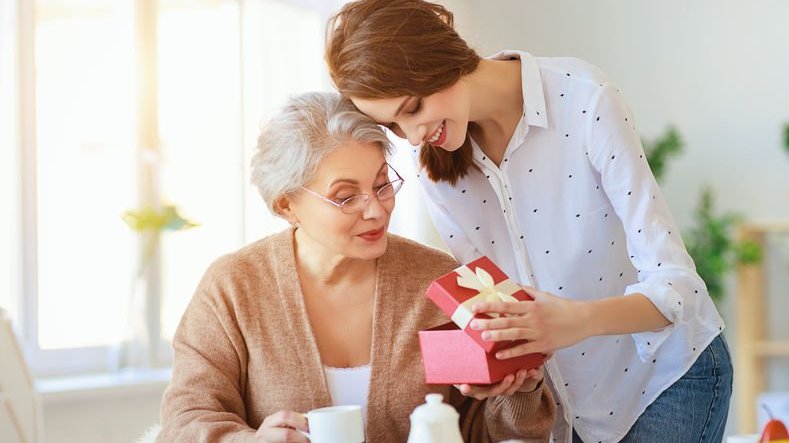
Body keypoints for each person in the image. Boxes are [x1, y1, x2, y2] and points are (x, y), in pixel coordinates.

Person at [324, 2, 733, 442]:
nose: (414, 134)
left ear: (440, 58)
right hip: (569, 411)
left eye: (414, 107)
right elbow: (498, 304)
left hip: (665, 381)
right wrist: (501, 364)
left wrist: (576, 320)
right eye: (395, 127)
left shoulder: (581, 98)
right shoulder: (436, 171)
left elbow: (678, 285)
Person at [156, 92, 555, 443]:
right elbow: (185, 421)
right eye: (346, 197)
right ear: (286, 204)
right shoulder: (233, 287)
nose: (376, 209)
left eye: (382, 184)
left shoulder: (438, 282)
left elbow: (484, 431)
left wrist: (520, 387)